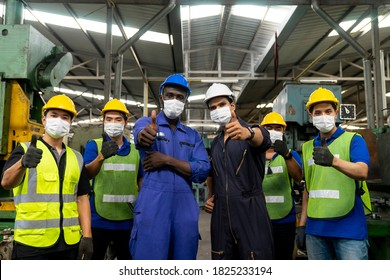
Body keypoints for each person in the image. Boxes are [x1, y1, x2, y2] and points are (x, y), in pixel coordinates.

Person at [1, 94, 93, 260]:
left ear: (70, 123)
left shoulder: (77, 158)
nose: (59, 120)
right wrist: (22, 163)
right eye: (54, 115)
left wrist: (87, 236)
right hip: (32, 245)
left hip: (68, 243)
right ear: (44, 119)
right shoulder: (24, 149)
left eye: (65, 117)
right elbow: (6, 183)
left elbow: (82, 198)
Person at [130, 73, 210, 260]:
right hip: (153, 205)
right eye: (170, 95)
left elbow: (203, 170)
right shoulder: (147, 123)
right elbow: (141, 136)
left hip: (184, 208)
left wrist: (166, 160)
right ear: (161, 98)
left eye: (180, 97)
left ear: (185, 101)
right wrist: (146, 136)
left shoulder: (192, 135)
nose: (174, 100)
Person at [298, 87, 371, 260]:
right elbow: (308, 189)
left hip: (348, 229)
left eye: (328, 111)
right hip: (315, 230)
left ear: (336, 112)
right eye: (318, 112)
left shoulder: (353, 140)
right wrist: (302, 226)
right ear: (311, 116)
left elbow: (362, 171)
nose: (323, 115)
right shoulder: (307, 148)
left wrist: (333, 161)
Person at [204, 83, 274, 260]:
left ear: (232, 105)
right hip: (221, 214)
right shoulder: (216, 143)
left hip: (250, 211)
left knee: (255, 259)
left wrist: (248, 133)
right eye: (213, 107)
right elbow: (214, 173)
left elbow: (262, 137)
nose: (218, 109)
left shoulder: (248, 131)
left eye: (221, 104)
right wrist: (211, 196)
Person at [83, 99, 142, 260]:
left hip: (127, 221)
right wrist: (101, 157)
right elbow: (87, 174)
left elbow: (141, 182)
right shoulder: (94, 146)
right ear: (103, 121)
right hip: (98, 220)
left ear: (125, 122)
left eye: (118, 119)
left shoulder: (136, 151)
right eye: (109, 119)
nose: (113, 123)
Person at [260, 112, 303, 260]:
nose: (274, 131)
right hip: (258, 219)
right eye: (269, 127)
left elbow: (298, 177)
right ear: (262, 130)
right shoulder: (253, 155)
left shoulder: (291, 155)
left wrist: (287, 156)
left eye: (278, 128)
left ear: (283, 131)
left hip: (284, 220)